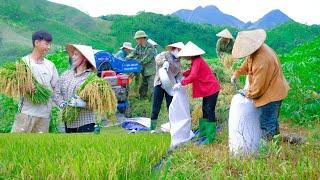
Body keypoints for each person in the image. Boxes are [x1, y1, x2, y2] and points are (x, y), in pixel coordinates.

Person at [231, 29, 289, 140]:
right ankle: (277, 142)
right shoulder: (255, 51)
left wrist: (246, 93)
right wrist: (237, 73)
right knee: (272, 120)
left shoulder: (262, 59)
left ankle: (267, 152)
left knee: (267, 123)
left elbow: (258, 89)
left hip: (273, 94)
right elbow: (247, 65)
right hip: (274, 88)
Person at [173, 41, 221, 145]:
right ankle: (203, 133)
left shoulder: (198, 61)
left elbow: (193, 75)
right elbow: (191, 72)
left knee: (209, 111)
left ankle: (210, 137)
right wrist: (182, 74)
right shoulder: (195, 61)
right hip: (208, 89)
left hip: (211, 89)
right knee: (205, 110)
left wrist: (182, 82)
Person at [11, 30, 59, 133]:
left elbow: (56, 87)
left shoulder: (50, 65)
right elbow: (14, 86)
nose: (49, 47)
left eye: (50, 44)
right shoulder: (23, 63)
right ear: (36, 43)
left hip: (44, 115)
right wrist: (25, 87)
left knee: (39, 146)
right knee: (17, 143)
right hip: (26, 113)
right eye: (46, 44)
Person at [53, 44, 97, 133]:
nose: (73, 57)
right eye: (73, 54)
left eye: (76, 55)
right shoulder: (66, 74)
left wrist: (83, 104)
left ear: (84, 58)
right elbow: (56, 92)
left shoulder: (92, 78)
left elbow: (98, 102)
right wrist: (61, 103)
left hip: (85, 122)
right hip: (69, 121)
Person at [150, 42, 184, 132]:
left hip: (171, 86)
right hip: (160, 83)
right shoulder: (164, 55)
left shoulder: (178, 61)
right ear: (173, 49)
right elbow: (157, 58)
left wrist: (181, 81)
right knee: (156, 105)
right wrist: (164, 62)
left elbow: (178, 74)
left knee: (171, 106)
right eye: (178, 50)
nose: (179, 52)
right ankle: (152, 128)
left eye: (181, 50)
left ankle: (172, 126)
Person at [127, 30, 156, 99]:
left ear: (142, 38)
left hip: (151, 71)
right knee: (144, 85)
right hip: (143, 70)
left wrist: (135, 63)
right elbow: (133, 53)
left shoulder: (150, 47)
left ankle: (154, 101)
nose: (137, 40)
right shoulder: (138, 46)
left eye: (137, 39)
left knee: (152, 86)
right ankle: (142, 98)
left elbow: (146, 60)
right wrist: (127, 58)